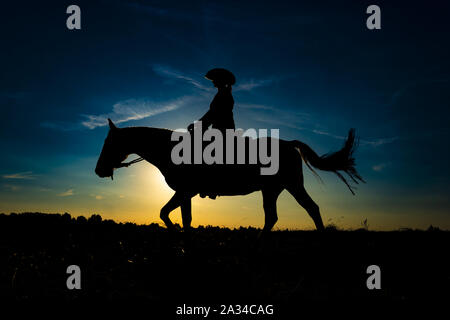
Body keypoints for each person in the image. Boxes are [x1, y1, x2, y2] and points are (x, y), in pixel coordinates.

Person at [188, 68, 236, 199]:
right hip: (219, 128)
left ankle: (213, 186)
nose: (213, 82)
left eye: (215, 80)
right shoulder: (222, 93)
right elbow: (211, 113)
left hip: (223, 129)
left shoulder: (224, 94)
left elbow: (215, 113)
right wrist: (198, 124)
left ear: (221, 80)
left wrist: (199, 124)